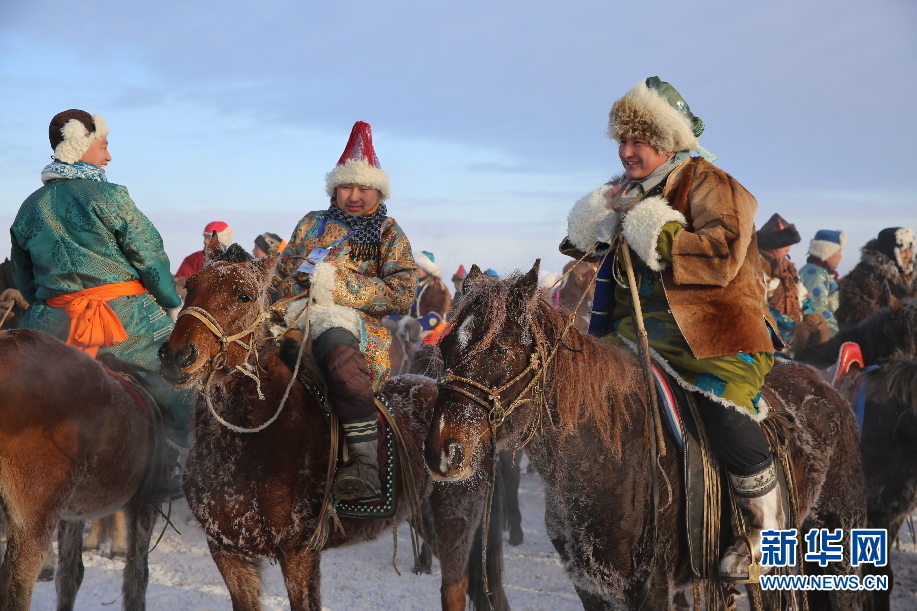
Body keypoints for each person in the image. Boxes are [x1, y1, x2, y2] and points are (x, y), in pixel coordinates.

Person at [559, 77, 785, 582]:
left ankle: (766, 537)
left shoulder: (711, 183)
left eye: (638, 140)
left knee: (721, 410)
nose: (625, 150)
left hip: (712, 333)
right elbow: (585, 254)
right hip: (631, 336)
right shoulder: (631, 192)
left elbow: (722, 254)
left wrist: (648, 224)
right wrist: (600, 217)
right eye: (622, 139)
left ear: (668, 142)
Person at [10, 109, 193, 500]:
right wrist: (170, 302)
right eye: (104, 145)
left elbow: (23, 279)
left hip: (51, 325)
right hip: (126, 318)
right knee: (180, 378)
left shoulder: (29, 207)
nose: (109, 157)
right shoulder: (110, 195)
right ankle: (182, 466)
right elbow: (149, 253)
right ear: (80, 144)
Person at [268, 121, 416, 500]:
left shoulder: (388, 233)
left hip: (350, 321)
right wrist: (293, 292)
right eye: (347, 186)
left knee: (339, 358)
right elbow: (282, 275)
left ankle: (364, 466)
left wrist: (336, 287)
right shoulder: (311, 222)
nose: (354, 195)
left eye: (363, 188)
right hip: (293, 314)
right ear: (334, 188)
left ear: (378, 192)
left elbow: (401, 295)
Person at [836, 227, 916, 328]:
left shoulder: (913, 277)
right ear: (890, 252)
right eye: (902, 251)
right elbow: (861, 323)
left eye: (910, 250)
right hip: (877, 339)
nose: (907, 255)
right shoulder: (862, 277)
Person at [798, 230, 846, 338]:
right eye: (839, 251)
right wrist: (840, 335)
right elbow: (818, 310)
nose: (841, 256)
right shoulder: (814, 274)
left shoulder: (822, 272)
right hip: (821, 340)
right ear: (828, 252)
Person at [411, 250, 453, 332]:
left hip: (431, 329)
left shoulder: (437, 287)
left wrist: (418, 325)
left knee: (423, 344)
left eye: (418, 267)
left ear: (427, 268)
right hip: (408, 326)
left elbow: (436, 314)